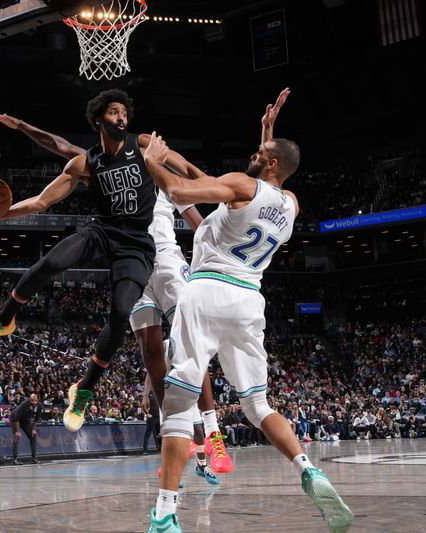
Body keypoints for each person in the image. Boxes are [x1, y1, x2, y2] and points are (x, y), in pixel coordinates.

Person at [141, 91, 353, 532]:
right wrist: (268, 133)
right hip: (249, 302)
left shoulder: (242, 184)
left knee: (179, 404)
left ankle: (164, 513)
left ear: (272, 164)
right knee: (258, 404)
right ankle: (308, 470)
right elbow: (222, 180)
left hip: (206, 292)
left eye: (261, 153)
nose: (254, 155)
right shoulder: (291, 204)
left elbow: (181, 187)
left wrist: (154, 159)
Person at [0, 109, 233, 473]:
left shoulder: (163, 178)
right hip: (132, 266)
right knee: (151, 355)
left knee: (189, 343)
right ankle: (177, 435)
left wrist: (217, 257)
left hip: (166, 263)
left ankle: (212, 433)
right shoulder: (109, 170)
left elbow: (201, 224)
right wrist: (21, 125)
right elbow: (63, 147)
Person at [10, 393, 41, 465]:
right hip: (15, 419)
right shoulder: (24, 404)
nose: (34, 402)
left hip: (25, 420)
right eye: (32, 401)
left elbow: (36, 419)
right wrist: (17, 431)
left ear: (37, 400)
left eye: (35, 401)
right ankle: (14, 459)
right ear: (29, 400)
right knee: (16, 437)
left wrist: (33, 429)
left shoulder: (39, 406)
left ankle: (34, 458)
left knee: (33, 436)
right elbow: (16, 418)